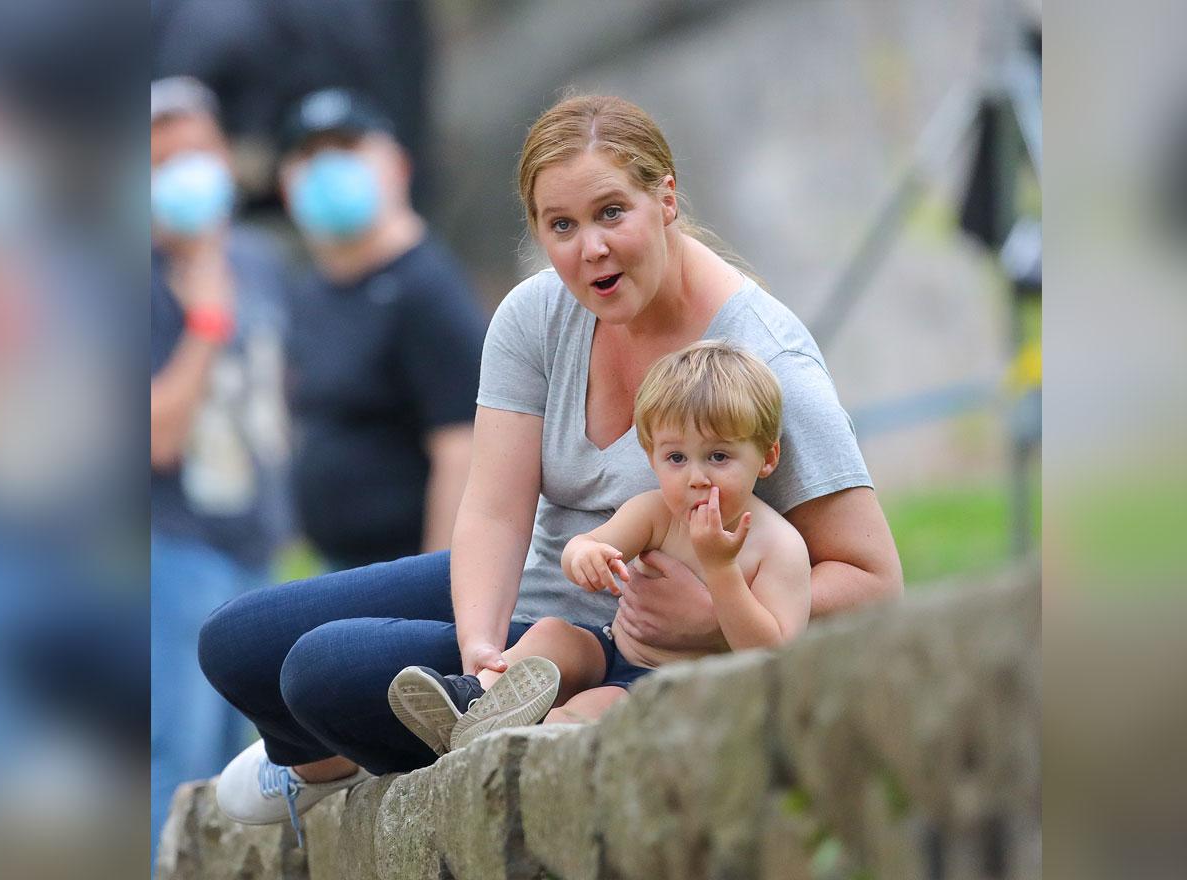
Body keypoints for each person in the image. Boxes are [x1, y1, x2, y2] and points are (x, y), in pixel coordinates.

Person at [198, 94, 902, 844]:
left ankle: (337, 734)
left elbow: (874, 581)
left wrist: (711, 618)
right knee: (234, 642)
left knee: (320, 672)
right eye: (561, 226)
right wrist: (480, 651)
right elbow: (497, 513)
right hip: (529, 614)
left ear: (665, 198)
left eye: (611, 213)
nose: (589, 249)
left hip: (640, 654)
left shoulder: (767, 358)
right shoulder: (535, 316)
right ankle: (331, 759)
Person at [388, 341, 811, 753]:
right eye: (676, 458)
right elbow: (588, 545)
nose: (696, 478)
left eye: (718, 457)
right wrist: (586, 557)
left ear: (767, 457)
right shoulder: (657, 512)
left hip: (683, 688)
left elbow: (773, 655)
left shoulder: (777, 546)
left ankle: (531, 736)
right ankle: (475, 698)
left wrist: (722, 569)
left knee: (592, 708)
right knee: (554, 634)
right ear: (651, 457)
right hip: (614, 648)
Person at [150, 76, 293, 862]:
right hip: (172, 550)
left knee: (254, 770)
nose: (188, 174)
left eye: (197, 153)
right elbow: (156, 439)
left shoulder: (260, 261)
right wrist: (204, 318)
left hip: (259, 547)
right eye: (162, 161)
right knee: (179, 759)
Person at [275, 87, 484, 570]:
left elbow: (463, 448)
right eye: (308, 155)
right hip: (337, 565)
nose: (327, 168)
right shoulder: (313, 292)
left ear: (398, 166)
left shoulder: (425, 288)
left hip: (402, 570)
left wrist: (435, 585)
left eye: (347, 149)